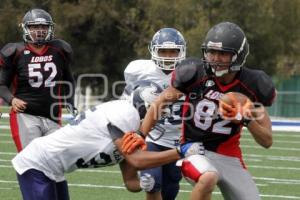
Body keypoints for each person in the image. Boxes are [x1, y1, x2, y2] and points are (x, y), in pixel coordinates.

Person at [123, 22, 277, 200]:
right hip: (195, 149)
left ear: (238, 55)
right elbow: (161, 101)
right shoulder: (194, 72)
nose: (216, 58)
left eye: (223, 53)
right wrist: (141, 134)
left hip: (230, 155)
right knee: (208, 177)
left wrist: (246, 119)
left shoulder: (254, 84)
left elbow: (267, 141)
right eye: (212, 52)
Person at [11, 81, 205, 200]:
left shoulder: (132, 132)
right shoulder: (125, 114)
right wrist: (180, 151)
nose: (159, 118)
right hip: (37, 163)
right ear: (145, 107)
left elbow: (130, 181)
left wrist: (147, 184)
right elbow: (138, 160)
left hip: (55, 170)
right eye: (158, 111)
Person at [123, 27, 186, 200]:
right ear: (153, 50)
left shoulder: (189, 73)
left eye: (173, 52)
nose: (167, 56)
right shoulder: (138, 70)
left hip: (177, 138)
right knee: (152, 182)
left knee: (171, 185)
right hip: (151, 135)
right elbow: (129, 94)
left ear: (181, 52)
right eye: (163, 51)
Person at [0, 8, 75, 152]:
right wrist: (12, 100)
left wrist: (70, 101)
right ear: (26, 28)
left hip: (53, 115)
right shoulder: (15, 51)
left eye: (44, 26)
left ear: (50, 28)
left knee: (54, 160)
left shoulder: (60, 49)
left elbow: (69, 80)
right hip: (26, 114)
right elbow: (2, 84)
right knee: (31, 159)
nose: (40, 30)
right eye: (35, 26)